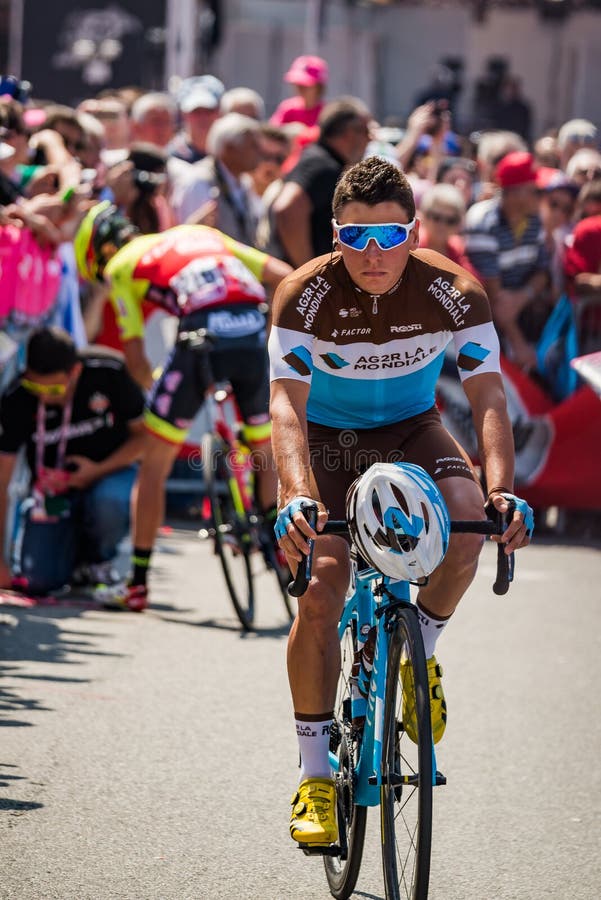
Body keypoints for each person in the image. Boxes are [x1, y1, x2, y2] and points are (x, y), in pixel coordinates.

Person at [268, 156, 533, 847]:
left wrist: (501, 488)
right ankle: (313, 776)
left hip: (411, 429)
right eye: (356, 238)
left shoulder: (454, 292)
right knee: (322, 589)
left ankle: (421, 652)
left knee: (470, 527)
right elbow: (286, 411)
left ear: (413, 232)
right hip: (327, 439)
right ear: (335, 236)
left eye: (389, 237)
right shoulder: (303, 294)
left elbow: (486, 397)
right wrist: (296, 496)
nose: (373, 254)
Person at [74, 203, 292, 610]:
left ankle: (136, 584)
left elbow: (136, 360)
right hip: (250, 326)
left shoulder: (122, 265)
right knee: (265, 449)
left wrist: (160, 390)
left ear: (101, 254)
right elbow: (286, 277)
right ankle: (279, 543)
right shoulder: (203, 235)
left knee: (155, 462)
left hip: (200, 337)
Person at [0, 326, 145, 595]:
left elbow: (144, 439)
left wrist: (95, 471)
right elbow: (1, 481)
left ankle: (98, 560)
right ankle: (69, 561)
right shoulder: (17, 397)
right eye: (35, 386)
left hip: (108, 475)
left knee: (109, 502)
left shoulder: (108, 371)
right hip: (53, 497)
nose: (44, 396)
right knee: (39, 583)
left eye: (54, 388)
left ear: (75, 371)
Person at [464, 151, 551, 372]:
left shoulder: (534, 220)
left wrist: (523, 296)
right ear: (516, 194)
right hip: (483, 324)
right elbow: (494, 295)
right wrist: (519, 343)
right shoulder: (483, 222)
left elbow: (542, 272)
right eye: (536, 190)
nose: (542, 197)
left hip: (518, 311)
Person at [272, 97, 371, 267]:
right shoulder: (322, 165)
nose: (369, 139)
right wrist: (309, 272)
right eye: (366, 132)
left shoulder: (320, 158)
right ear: (350, 133)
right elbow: (287, 209)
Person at [270, 55, 329, 129]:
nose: (300, 88)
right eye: (298, 84)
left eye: (306, 85)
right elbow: (272, 133)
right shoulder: (288, 109)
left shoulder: (326, 113)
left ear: (319, 87)